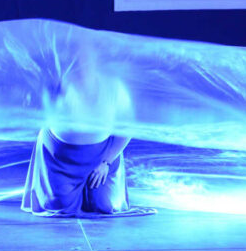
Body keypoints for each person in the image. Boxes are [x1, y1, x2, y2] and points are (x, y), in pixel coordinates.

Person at [22, 41, 153, 217]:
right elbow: (38, 110)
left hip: (102, 157)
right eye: (75, 59)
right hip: (60, 160)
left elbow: (127, 126)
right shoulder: (58, 84)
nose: (81, 64)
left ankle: (94, 186)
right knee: (59, 207)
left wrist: (106, 162)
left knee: (105, 206)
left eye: (85, 58)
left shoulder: (114, 86)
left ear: (96, 60)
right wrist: (53, 95)